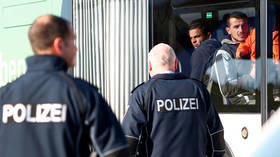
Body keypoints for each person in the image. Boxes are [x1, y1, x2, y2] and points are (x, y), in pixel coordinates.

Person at [0, 15, 129, 157]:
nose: (76, 48)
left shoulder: (5, 94)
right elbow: (115, 152)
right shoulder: (81, 93)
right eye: (73, 41)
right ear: (59, 44)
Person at [122, 43, 225, 157]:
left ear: (150, 66)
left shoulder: (143, 93)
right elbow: (216, 134)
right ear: (176, 64)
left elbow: (129, 139)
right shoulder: (199, 90)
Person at [213, 12, 256, 105]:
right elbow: (227, 89)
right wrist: (250, 78)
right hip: (246, 107)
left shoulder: (259, 44)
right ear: (228, 30)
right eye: (236, 27)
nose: (241, 30)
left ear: (248, 26)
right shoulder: (223, 53)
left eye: (244, 26)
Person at [188, 18, 222, 85]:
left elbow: (195, 83)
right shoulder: (220, 47)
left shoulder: (200, 52)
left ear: (208, 35)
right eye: (191, 38)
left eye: (197, 36)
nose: (193, 41)